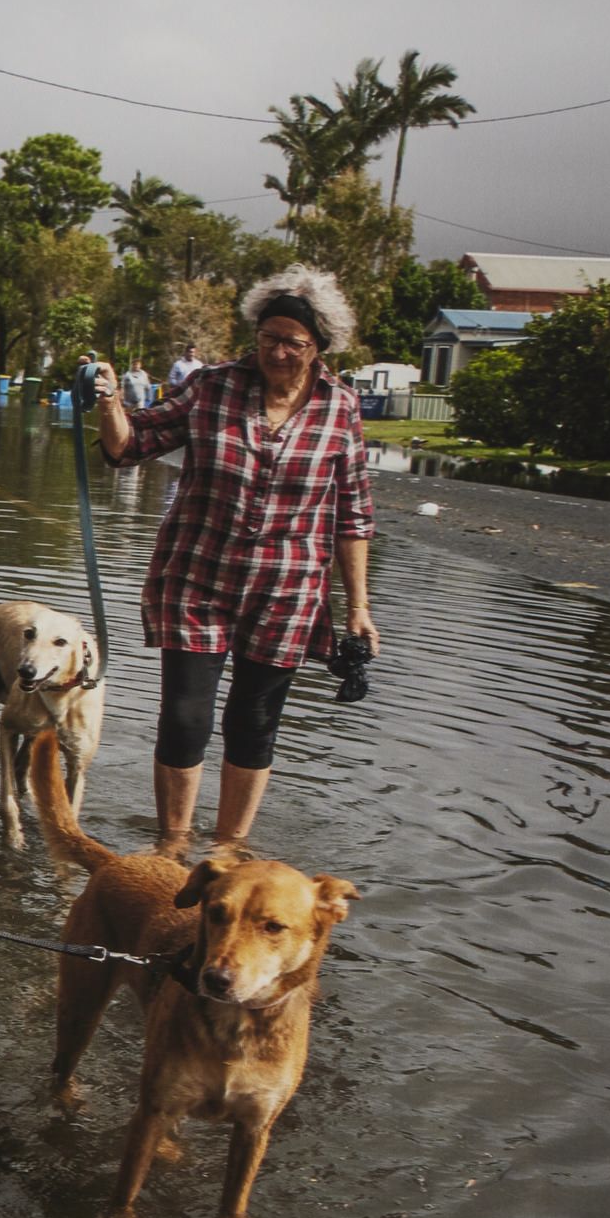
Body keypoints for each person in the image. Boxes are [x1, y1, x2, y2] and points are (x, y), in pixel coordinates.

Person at [91, 266, 378, 848]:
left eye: (292, 342)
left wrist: (358, 608)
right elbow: (131, 446)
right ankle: (172, 845)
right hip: (198, 579)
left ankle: (228, 850)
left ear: (318, 347)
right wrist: (110, 401)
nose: (277, 351)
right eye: (268, 337)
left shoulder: (341, 407)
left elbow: (352, 515)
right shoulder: (212, 387)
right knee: (185, 716)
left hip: (289, 590)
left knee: (254, 721)